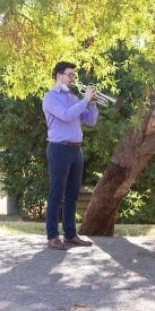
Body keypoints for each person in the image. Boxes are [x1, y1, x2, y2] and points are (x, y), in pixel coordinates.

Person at [42, 61, 99, 250]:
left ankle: (70, 234)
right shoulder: (50, 98)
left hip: (76, 150)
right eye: (70, 75)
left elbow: (90, 121)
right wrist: (84, 100)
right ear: (59, 76)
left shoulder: (74, 98)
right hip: (59, 149)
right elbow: (66, 115)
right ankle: (52, 236)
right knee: (56, 194)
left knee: (73, 194)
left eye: (74, 75)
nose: (74, 79)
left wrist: (92, 104)